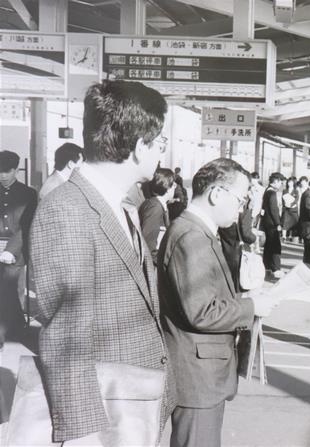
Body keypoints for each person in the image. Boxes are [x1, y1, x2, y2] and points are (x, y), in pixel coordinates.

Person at [30, 80, 174, 445]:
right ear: (141, 147)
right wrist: (84, 436)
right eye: (160, 143)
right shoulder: (67, 210)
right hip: (105, 419)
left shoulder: (120, 205)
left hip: (133, 405)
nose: (162, 153)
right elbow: (66, 334)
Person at [157, 158, 276, 447]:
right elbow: (201, 311)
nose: (243, 207)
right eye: (241, 198)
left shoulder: (197, 232)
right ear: (216, 194)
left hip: (202, 374)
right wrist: (251, 307)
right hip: (197, 377)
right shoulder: (191, 236)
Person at [0, 151, 37, 347]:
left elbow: (26, 226)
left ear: (16, 170)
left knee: (13, 290)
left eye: (7, 171)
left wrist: (10, 250)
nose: (2, 176)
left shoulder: (28, 194)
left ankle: (13, 330)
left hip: (15, 248)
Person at [139, 168, 176, 265]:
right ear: (168, 188)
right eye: (174, 184)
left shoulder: (157, 205)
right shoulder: (155, 207)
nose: (175, 187)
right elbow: (148, 246)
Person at [218, 198, 256, 293]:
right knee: (239, 284)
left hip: (227, 254)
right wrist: (254, 238)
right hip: (238, 254)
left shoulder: (222, 216)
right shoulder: (242, 213)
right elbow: (245, 233)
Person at [260, 172, 285, 278]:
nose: (281, 185)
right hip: (272, 224)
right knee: (275, 246)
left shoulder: (267, 191)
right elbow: (274, 210)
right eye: (281, 182)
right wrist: (278, 223)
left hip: (266, 222)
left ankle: (267, 267)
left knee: (268, 246)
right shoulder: (272, 193)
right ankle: (276, 268)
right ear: (276, 181)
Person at [281, 176, 299, 241]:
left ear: (294, 183)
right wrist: (284, 205)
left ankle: (291, 236)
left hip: (293, 209)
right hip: (286, 209)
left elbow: (296, 200)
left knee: (292, 223)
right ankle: (284, 236)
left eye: (291, 182)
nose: (289, 183)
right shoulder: (284, 190)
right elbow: (282, 199)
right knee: (285, 222)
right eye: (289, 182)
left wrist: (291, 204)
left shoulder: (296, 191)